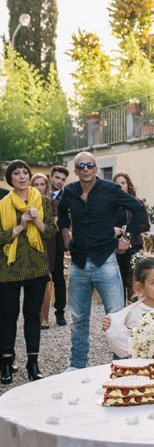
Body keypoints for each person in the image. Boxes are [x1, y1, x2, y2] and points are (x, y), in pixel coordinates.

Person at [57, 152, 147, 371]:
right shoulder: (69, 192)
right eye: (81, 166)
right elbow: (61, 214)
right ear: (76, 171)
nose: (85, 169)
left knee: (116, 317)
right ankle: (77, 365)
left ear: (96, 168)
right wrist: (66, 235)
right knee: (78, 318)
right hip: (78, 262)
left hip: (105, 260)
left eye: (90, 165)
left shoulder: (111, 190)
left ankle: (122, 364)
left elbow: (138, 209)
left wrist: (126, 237)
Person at [0, 160, 55, 383]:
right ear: (10, 178)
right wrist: (21, 225)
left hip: (36, 267)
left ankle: (33, 363)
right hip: (8, 269)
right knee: (7, 317)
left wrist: (37, 221)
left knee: (33, 316)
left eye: (25, 172)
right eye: (17, 173)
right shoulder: (3, 204)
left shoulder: (42, 201)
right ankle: (6, 362)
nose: (22, 176)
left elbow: (50, 232)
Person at [112, 172, 151, 304]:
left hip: (134, 246)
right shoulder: (110, 204)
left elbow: (146, 225)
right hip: (115, 246)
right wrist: (115, 230)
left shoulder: (137, 203)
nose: (120, 186)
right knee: (118, 280)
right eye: (117, 184)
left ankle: (133, 309)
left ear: (128, 185)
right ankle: (119, 312)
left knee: (133, 280)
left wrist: (130, 229)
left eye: (123, 183)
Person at [30, 174, 55, 329]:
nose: (39, 188)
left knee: (46, 282)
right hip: (29, 246)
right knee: (31, 285)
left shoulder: (49, 202)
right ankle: (34, 316)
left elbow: (53, 227)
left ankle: (45, 317)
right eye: (36, 184)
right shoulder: (25, 202)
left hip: (47, 244)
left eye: (42, 184)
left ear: (47, 186)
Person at [49, 165, 69, 326]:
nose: (59, 181)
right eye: (57, 177)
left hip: (57, 240)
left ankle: (59, 312)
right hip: (40, 239)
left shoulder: (67, 197)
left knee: (58, 278)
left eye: (63, 179)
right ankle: (38, 313)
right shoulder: (39, 193)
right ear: (51, 177)